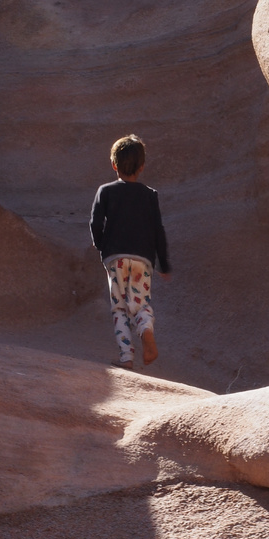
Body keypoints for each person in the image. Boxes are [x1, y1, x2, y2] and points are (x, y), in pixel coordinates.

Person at [89, 134, 171, 369]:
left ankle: (126, 357)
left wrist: (101, 246)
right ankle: (146, 330)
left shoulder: (105, 191)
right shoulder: (150, 195)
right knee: (140, 303)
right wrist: (163, 263)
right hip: (142, 260)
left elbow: (96, 223)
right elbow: (158, 230)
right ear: (142, 167)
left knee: (119, 307)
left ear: (114, 164)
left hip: (116, 257)